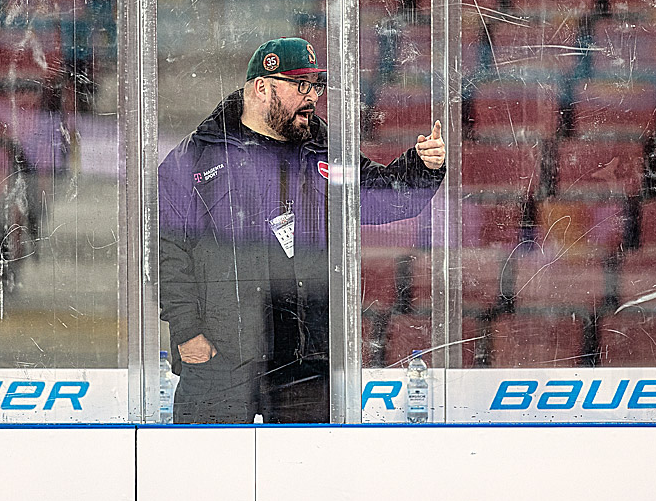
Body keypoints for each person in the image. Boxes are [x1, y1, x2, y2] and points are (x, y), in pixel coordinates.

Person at [158, 37, 446, 423]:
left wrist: (422, 167)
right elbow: (167, 252)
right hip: (220, 355)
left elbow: (381, 197)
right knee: (210, 474)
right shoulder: (196, 156)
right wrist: (187, 333)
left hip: (305, 356)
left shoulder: (325, 150)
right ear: (262, 87)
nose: (312, 97)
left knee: (307, 476)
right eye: (300, 86)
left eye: (316, 86)